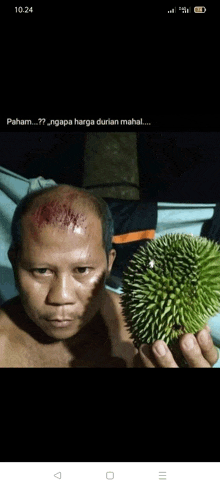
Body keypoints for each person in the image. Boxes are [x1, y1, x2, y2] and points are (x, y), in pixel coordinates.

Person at [0, 184, 218, 368]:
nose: (61, 297)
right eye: (41, 270)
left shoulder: (150, 340)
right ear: (14, 262)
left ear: (109, 262)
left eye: (83, 270)